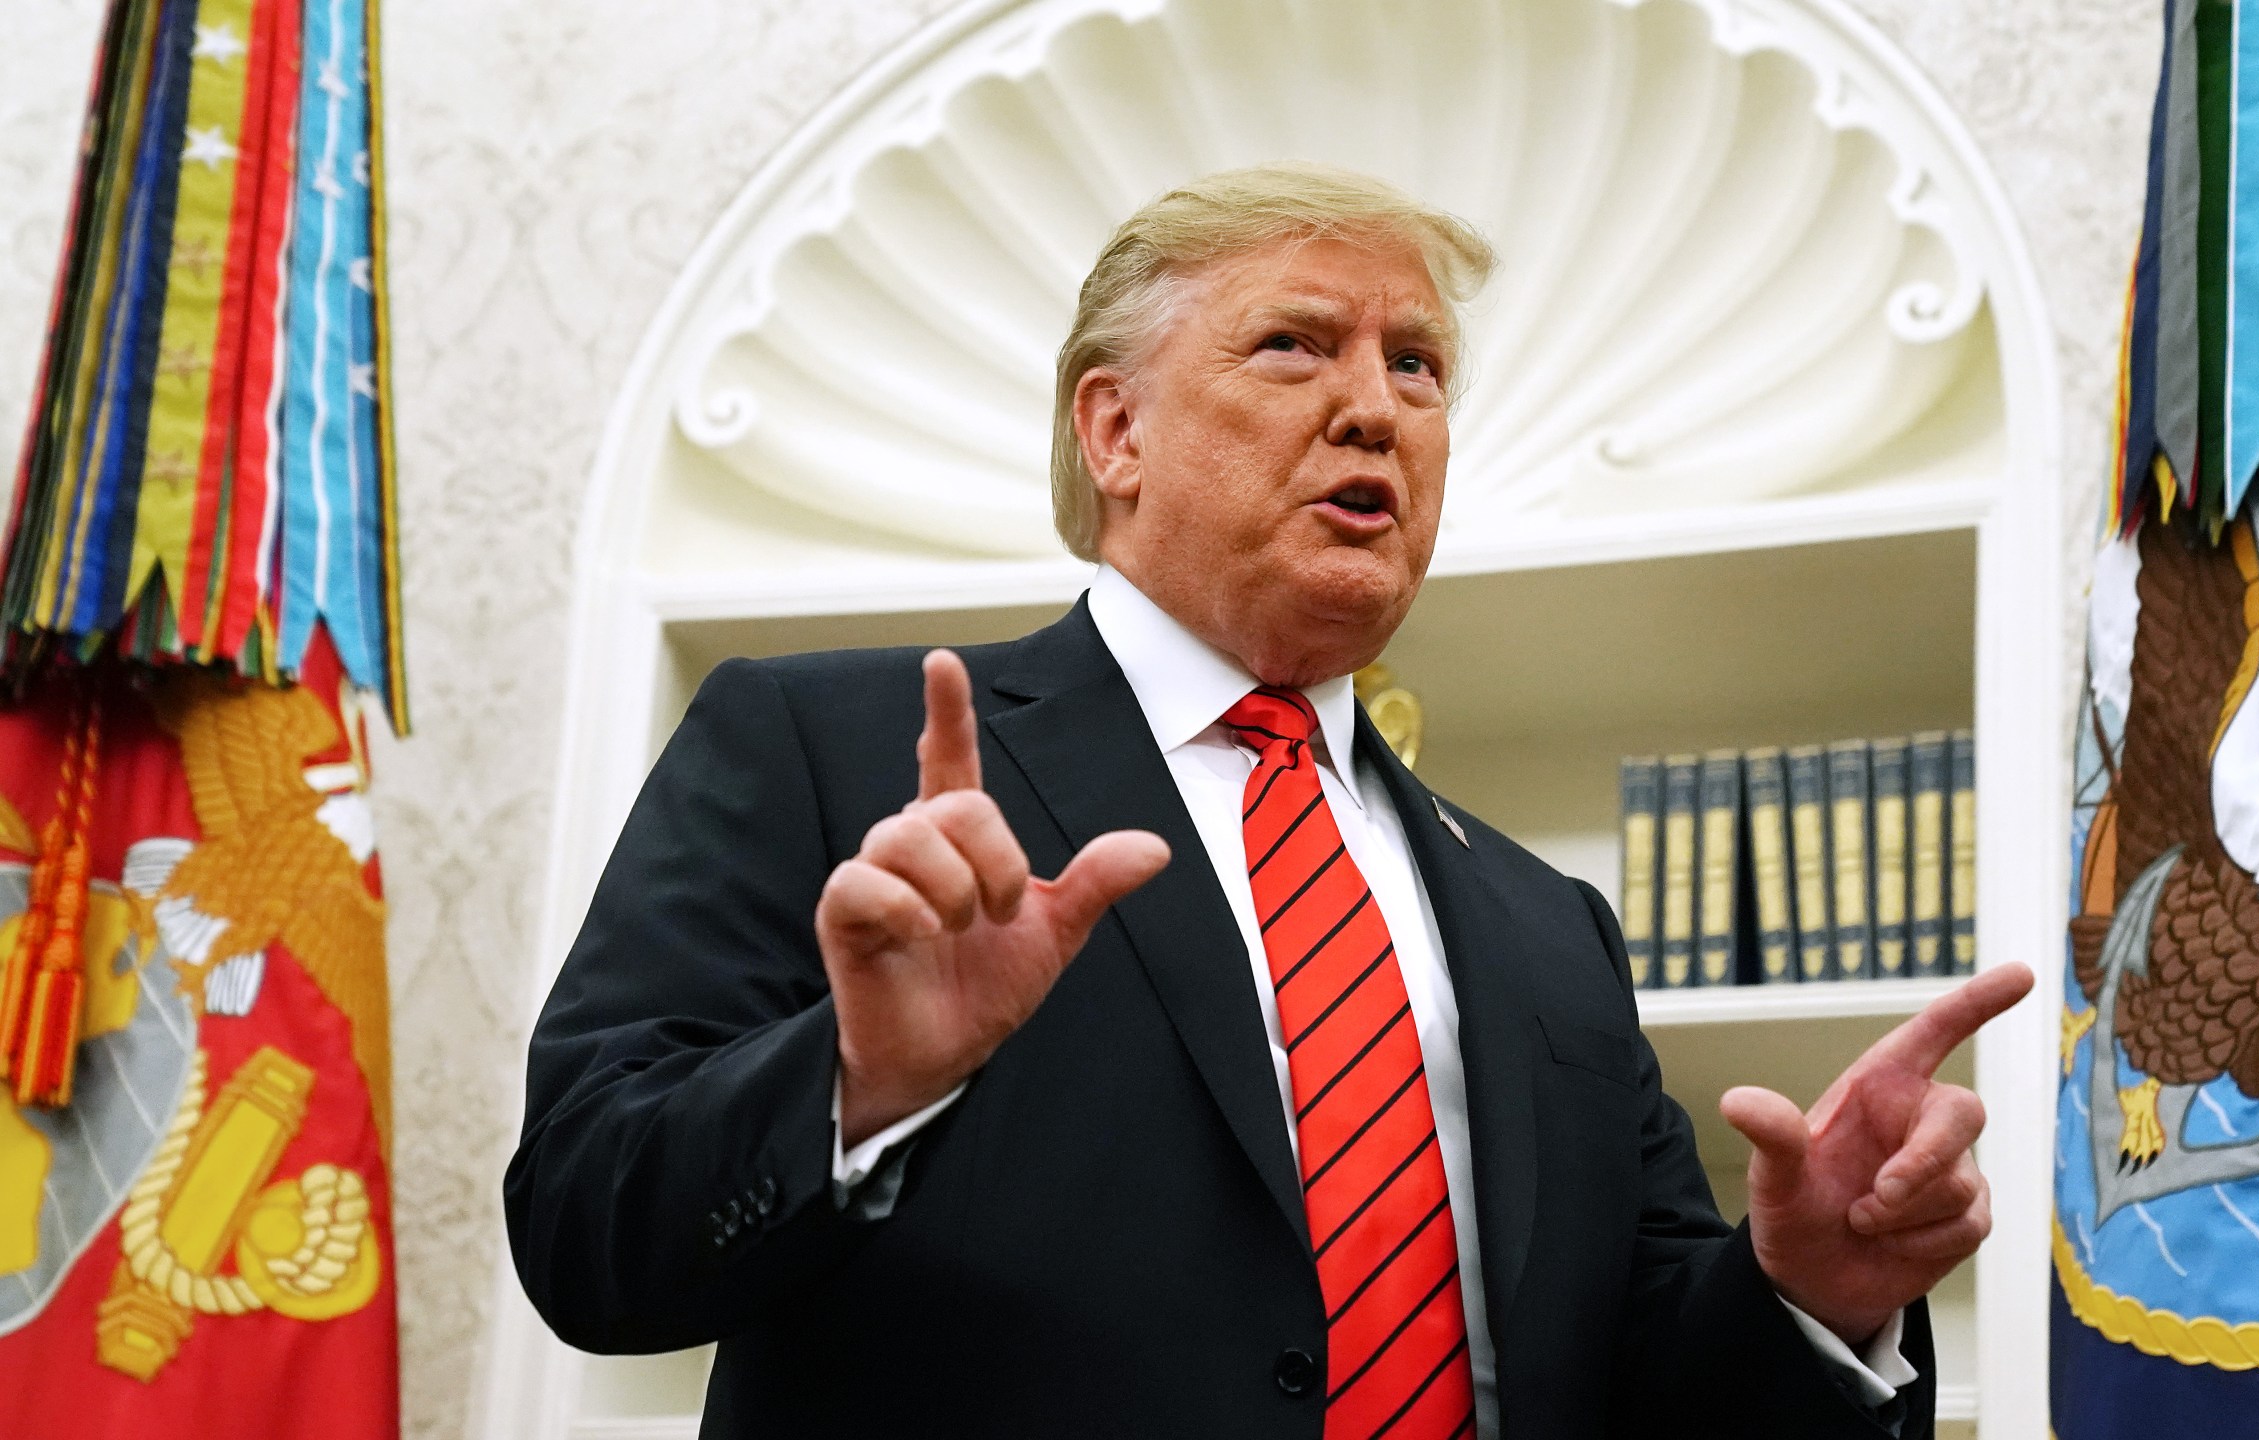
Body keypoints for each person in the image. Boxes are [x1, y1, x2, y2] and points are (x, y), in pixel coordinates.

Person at [506, 162, 2032, 1440]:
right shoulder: (832, 751)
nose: (1377, 408)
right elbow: (585, 1233)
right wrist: (849, 1085)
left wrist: (1810, 1292)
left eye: (1416, 365)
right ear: (1118, 435)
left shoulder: (1546, 929)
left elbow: (1643, 1383)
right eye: (1297, 348)